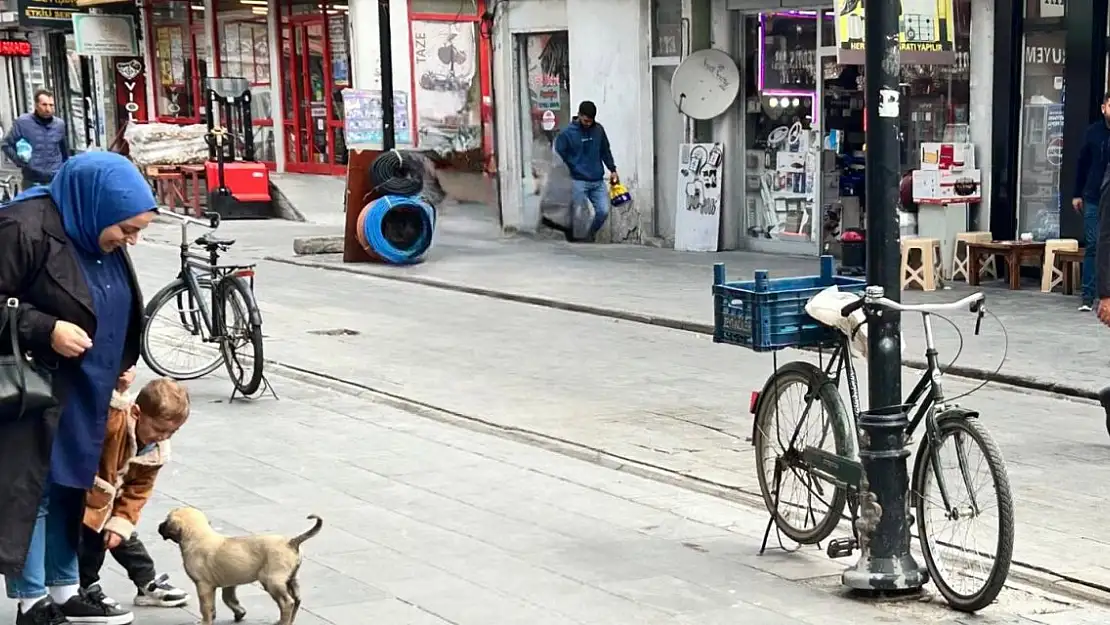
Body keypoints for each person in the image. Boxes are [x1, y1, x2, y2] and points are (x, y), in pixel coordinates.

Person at [0, 151, 157, 625]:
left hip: (86, 388)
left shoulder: (95, 228)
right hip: (35, 388)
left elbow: (109, 301)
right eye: (127, 230)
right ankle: (31, 601)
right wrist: (44, 328)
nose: (130, 240)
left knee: (71, 486)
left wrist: (120, 362)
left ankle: (66, 590)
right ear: (97, 206)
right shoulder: (22, 227)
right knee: (38, 489)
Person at [79, 377, 191, 613]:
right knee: (90, 543)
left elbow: (138, 491)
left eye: (172, 432)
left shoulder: (155, 452)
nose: (164, 437)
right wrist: (118, 389)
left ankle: (146, 582)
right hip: (85, 495)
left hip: (110, 503)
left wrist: (121, 521)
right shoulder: (119, 422)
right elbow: (106, 411)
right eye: (159, 429)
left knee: (122, 535)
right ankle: (86, 586)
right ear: (137, 413)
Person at [554, 101, 619, 242]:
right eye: (585, 120)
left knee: (603, 211)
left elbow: (605, 151)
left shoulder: (599, 130)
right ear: (579, 115)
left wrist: (612, 169)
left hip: (597, 180)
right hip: (577, 180)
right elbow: (558, 156)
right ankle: (576, 237)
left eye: (591, 121)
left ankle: (590, 234)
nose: (588, 123)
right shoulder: (567, 134)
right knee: (579, 213)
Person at [1070, 92, 1110, 312]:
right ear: (1103, 107)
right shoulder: (1093, 133)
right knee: (1094, 244)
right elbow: (1081, 164)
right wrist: (1077, 193)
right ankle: (1088, 295)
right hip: (1094, 196)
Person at [1, 90, 69, 191]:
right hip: (32, 182)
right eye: (44, 105)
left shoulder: (59, 125)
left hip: (55, 180)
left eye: (51, 105)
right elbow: (6, 144)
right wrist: (19, 162)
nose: (48, 109)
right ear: (36, 105)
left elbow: (64, 150)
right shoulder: (23, 123)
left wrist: (64, 169)